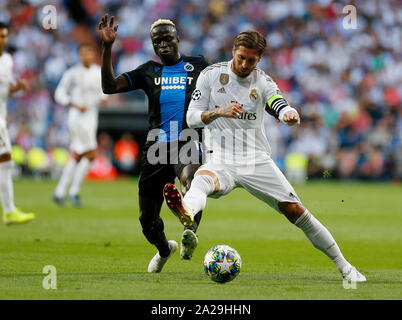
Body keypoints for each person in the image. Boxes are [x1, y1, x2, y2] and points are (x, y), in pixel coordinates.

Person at [164, 30, 366, 283]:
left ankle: (345, 267)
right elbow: (192, 118)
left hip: (255, 159)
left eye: (252, 60)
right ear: (233, 51)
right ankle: (186, 212)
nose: (245, 65)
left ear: (259, 59)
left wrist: (288, 114)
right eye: (241, 58)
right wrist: (219, 111)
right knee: (201, 181)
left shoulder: (263, 82)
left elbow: (278, 102)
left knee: (297, 212)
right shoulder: (211, 75)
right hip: (221, 158)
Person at [98, 14, 210, 272]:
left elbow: (222, 86)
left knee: (191, 181)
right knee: (147, 219)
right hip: (156, 146)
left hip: (187, 139)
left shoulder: (199, 65)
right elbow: (109, 87)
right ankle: (163, 249)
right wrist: (107, 47)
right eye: (157, 41)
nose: (162, 44)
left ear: (178, 39)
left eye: (167, 38)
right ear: (152, 45)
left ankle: (189, 232)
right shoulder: (148, 71)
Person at [52, 43, 107, 208]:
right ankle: (72, 192)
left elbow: (102, 90)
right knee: (88, 153)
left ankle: (61, 192)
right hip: (77, 117)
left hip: (91, 116)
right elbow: (59, 93)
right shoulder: (72, 73)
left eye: (89, 52)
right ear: (79, 55)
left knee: (79, 154)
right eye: (83, 53)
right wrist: (73, 103)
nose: (86, 56)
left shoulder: (98, 72)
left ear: (92, 54)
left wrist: (104, 97)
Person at [0, 22, 35, 225]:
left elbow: (4, 89)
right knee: (5, 158)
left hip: (2, 116)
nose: (2, 40)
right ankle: (9, 209)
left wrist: (17, 87)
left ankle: (9, 210)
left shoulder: (7, 60)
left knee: (5, 159)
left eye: (4, 36)